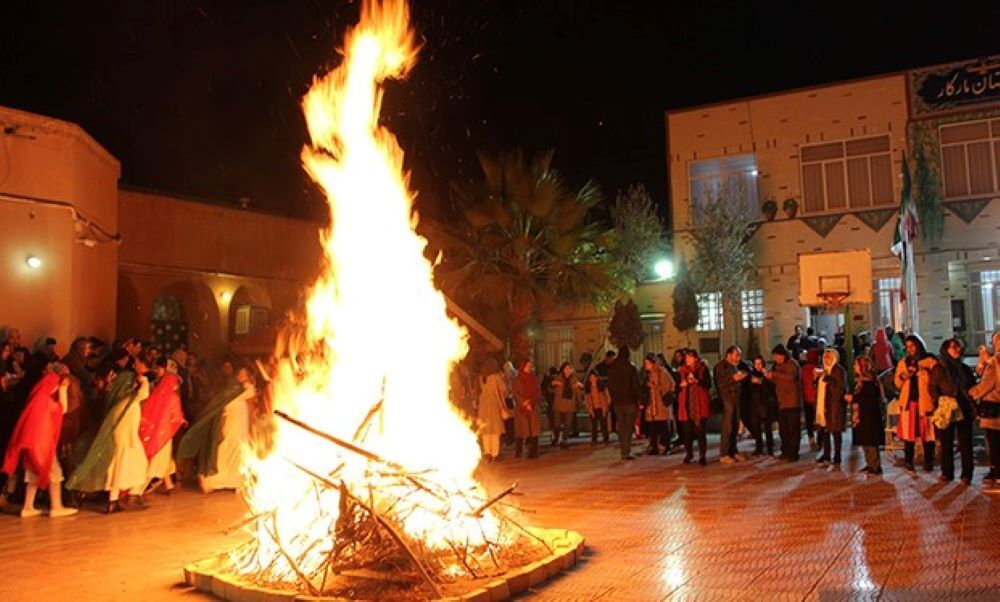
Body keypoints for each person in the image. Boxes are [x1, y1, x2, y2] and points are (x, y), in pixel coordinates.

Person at [67, 359, 151, 513]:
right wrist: (143, 380)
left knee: (117, 469)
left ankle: (114, 499)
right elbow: (143, 393)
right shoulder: (127, 402)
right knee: (133, 466)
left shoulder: (119, 402)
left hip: (120, 441)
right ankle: (117, 498)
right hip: (126, 441)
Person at [0, 366, 78, 517]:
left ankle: (28, 507)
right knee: (55, 472)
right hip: (41, 445)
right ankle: (56, 506)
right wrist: (63, 389)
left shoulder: (35, 399)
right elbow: (63, 409)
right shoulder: (45, 401)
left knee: (32, 474)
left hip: (30, 444)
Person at [177, 365, 256, 491]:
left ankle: (236, 481)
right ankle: (212, 480)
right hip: (230, 423)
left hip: (240, 424)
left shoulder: (244, 391)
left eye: (243, 374)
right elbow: (222, 404)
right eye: (239, 373)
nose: (239, 376)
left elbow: (251, 393)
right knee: (225, 448)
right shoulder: (232, 390)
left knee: (237, 450)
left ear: (248, 375)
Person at [930, 338, 975, 484]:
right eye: (953, 347)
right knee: (946, 442)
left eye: (958, 347)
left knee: (965, 442)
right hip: (947, 409)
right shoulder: (939, 369)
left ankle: (967, 474)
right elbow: (932, 388)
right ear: (946, 350)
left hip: (963, 408)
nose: (957, 350)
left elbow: (971, 387)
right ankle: (947, 472)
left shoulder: (964, 368)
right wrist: (941, 401)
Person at [141, 358, 187, 493]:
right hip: (163, 430)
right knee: (162, 457)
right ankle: (169, 485)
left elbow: (173, 411)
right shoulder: (164, 391)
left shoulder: (165, 392)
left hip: (160, 431)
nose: (156, 371)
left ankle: (137, 490)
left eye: (159, 368)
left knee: (157, 458)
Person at [894, 335, 938, 474]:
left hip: (925, 401)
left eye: (912, 346)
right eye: (907, 347)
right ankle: (909, 461)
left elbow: (935, 378)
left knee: (927, 433)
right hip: (909, 402)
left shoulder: (929, 360)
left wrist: (921, 372)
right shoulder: (903, 362)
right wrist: (905, 375)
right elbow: (897, 382)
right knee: (909, 433)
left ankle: (928, 461)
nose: (910, 349)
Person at [970, 331, 1000, 488]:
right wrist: (983, 362)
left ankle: (996, 470)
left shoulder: (995, 362)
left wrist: (972, 393)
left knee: (994, 441)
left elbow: (986, 383)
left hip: (993, 407)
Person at [846, 356, 884, 475]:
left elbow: (867, 399)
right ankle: (870, 463)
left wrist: (853, 398)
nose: (854, 367)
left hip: (869, 417)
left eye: (856, 365)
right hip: (862, 416)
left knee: (870, 442)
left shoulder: (869, 383)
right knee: (865, 441)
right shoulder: (861, 382)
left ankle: (875, 466)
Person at [607, 347, 643, 460]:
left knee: (621, 427)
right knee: (628, 427)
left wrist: (613, 397)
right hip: (630, 401)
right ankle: (626, 451)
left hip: (618, 402)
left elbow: (610, 385)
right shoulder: (631, 368)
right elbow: (636, 385)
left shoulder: (613, 368)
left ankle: (624, 450)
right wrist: (641, 398)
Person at [768, 344, 802, 462]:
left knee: (793, 429)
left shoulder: (792, 364)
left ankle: (793, 453)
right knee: (783, 429)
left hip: (792, 402)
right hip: (782, 402)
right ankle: (785, 451)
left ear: (782, 355)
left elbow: (790, 377)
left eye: (776, 356)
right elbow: (776, 379)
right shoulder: (776, 366)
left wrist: (775, 375)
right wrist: (769, 377)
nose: (775, 359)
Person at [714, 345, 748, 464]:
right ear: (729, 355)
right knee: (727, 427)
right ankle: (724, 453)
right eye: (736, 354)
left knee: (734, 426)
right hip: (726, 399)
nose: (739, 357)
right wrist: (734, 378)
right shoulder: (720, 367)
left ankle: (733, 451)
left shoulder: (735, 366)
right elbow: (721, 383)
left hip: (736, 399)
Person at [814, 349, 847, 467]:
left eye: (829, 357)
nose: (826, 359)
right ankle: (826, 454)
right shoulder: (823, 371)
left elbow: (839, 387)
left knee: (836, 431)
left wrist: (828, 378)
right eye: (825, 357)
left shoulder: (839, 370)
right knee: (824, 430)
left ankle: (837, 455)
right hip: (823, 404)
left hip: (834, 405)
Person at [678, 349, 711, 465]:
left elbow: (708, 384)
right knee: (687, 432)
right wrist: (682, 385)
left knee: (701, 431)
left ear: (695, 358)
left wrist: (697, 380)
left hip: (699, 405)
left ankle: (702, 455)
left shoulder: (702, 369)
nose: (687, 360)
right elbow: (677, 387)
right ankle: (689, 453)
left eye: (690, 357)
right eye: (686, 357)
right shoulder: (681, 371)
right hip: (686, 405)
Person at [642, 353, 675, 455]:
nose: (646, 365)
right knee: (653, 428)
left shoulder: (663, 372)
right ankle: (654, 447)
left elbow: (669, 386)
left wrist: (656, 386)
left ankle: (665, 447)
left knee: (663, 427)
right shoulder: (646, 374)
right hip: (651, 405)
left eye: (648, 363)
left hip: (661, 405)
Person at [744, 355, 776, 456]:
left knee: (767, 427)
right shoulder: (751, 375)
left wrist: (762, 382)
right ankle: (759, 448)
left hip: (765, 404)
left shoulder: (766, 375)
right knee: (756, 427)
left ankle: (770, 449)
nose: (758, 366)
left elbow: (771, 389)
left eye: (760, 364)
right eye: (756, 364)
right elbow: (747, 391)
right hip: (754, 404)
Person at [512, 360, 541, 459]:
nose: (529, 367)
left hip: (532, 407)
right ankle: (518, 451)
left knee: (534, 431)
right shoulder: (517, 379)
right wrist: (523, 402)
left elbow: (537, 392)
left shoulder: (534, 379)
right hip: (521, 408)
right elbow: (515, 392)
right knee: (522, 431)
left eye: (530, 366)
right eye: (527, 366)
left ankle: (533, 452)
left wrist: (531, 402)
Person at [550, 362, 582, 449]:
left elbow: (578, 393)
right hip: (558, 405)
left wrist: (579, 403)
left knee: (568, 424)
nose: (568, 370)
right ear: (563, 369)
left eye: (570, 369)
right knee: (556, 424)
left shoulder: (575, 379)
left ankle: (564, 440)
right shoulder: (558, 378)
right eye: (566, 368)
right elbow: (550, 390)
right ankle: (556, 437)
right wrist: (553, 385)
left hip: (570, 405)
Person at [800, 349, 820, 450]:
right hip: (817, 399)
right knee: (819, 421)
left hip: (807, 399)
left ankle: (811, 439)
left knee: (809, 420)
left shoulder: (804, 369)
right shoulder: (818, 368)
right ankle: (820, 441)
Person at [584, 370, 610, 446]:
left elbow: (607, 396)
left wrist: (606, 405)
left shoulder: (602, 386)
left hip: (602, 408)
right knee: (594, 425)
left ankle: (605, 439)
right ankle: (594, 440)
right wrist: (589, 408)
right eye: (591, 378)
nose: (592, 379)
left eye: (594, 377)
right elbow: (587, 399)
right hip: (593, 408)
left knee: (603, 424)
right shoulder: (588, 388)